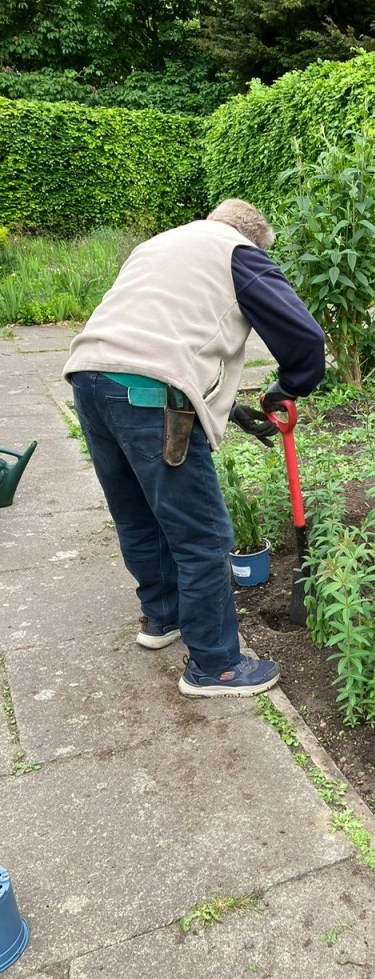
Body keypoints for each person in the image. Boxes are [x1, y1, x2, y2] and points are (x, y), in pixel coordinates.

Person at [63, 199, 326, 698]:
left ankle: (163, 618)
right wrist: (287, 386)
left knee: (138, 514)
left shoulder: (160, 244)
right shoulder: (239, 252)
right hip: (148, 395)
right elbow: (306, 342)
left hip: (90, 381)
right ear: (252, 240)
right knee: (202, 535)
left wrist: (230, 408)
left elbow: (168, 330)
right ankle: (215, 665)